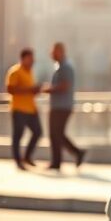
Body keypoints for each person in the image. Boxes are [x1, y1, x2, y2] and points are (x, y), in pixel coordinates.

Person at [42, 42, 86, 170]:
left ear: (60, 52)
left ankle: (73, 154)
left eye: (54, 52)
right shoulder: (59, 66)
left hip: (61, 107)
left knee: (57, 134)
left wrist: (49, 89)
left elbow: (64, 86)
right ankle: (59, 161)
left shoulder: (66, 67)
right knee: (56, 134)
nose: (51, 54)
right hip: (58, 106)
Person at [5, 48, 42, 170]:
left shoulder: (30, 72)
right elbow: (10, 89)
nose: (32, 61)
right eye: (30, 58)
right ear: (23, 58)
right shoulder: (15, 72)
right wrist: (30, 90)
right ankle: (18, 161)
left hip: (31, 109)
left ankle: (27, 157)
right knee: (18, 136)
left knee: (38, 132)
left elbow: (30, 91)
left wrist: (35, 91)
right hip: (19, 109)